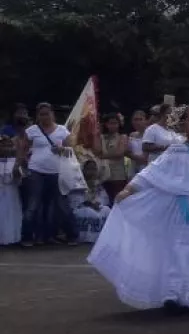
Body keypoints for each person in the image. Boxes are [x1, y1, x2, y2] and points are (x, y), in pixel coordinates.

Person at [89, 105, 189, 310]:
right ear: (183, 124)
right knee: (179, 250)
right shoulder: (176, 150)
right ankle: (175, 293)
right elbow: (152, 173)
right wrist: (129, 189)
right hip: (183, 208)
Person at [20, 102, 78, 246]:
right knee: (33, 204)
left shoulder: (62, 130)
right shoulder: (32, 130)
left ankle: (71, 235)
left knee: (61, 204)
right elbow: (23, 149)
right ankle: (27, 237)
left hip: (57, 172)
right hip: (36, 171)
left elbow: (71, 149)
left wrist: (62, 149)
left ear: (52, 114)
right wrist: (20, 165)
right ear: (38, 116)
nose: (44, 117)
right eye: (41, 114)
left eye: (47, 113)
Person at [94, 112, 133, 202]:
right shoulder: (101, 137)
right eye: (110, 123)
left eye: (115, 123)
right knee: (105, 200)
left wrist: (102, 156)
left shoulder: (122, 137)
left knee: (117, 200)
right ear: (106, 124)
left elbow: (119, 153)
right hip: (102, 174)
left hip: (118, 175)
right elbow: (97, 151)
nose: (113, 125)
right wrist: (97, 134)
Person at [69, 159, 110, 243]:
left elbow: (104, 199)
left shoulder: (97, 184)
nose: (92, 172)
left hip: (95, 206)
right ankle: (87, 239)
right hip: (80, 208)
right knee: (91, 213)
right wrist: (90, 204)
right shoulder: (78, 182)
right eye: (89, 169)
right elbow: (75, 200)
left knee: (107, 210)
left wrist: (98, 204)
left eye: (94, 169)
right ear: (83, 170)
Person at [0, 135, 21, 245]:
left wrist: (17, 173)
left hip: (11, 192)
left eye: (9, 145)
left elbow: (19, 180)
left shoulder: (15, 162)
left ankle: (11, 238)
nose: (6, 148)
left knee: (10, 215)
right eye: (2, 145)